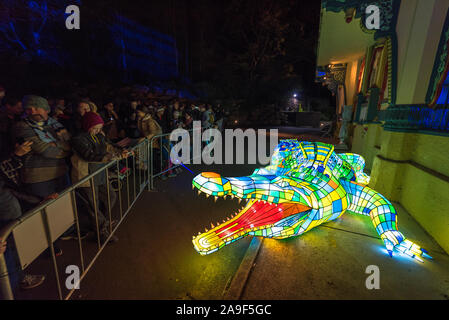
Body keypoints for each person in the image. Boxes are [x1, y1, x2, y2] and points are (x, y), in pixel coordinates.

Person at [0, 141, 58, 290]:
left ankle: (17, 280)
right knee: (9, 253)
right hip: (6, 219)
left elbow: (11, 188)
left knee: (12, 250)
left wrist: (40, 200)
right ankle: (14, 284)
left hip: (11, 216)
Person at [71, 112, 131, 243]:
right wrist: (111, 157)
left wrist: (120, 151)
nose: (98, 130)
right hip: (86, 175)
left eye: (99, 128)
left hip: (100, 172)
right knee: (93, 205)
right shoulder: (78, 139)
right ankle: (102, 232)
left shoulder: (98, 135)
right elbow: (88, 155)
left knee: (110, 197)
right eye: (95, 128)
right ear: (87, 125)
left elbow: (109, 145)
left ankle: (100, 221)